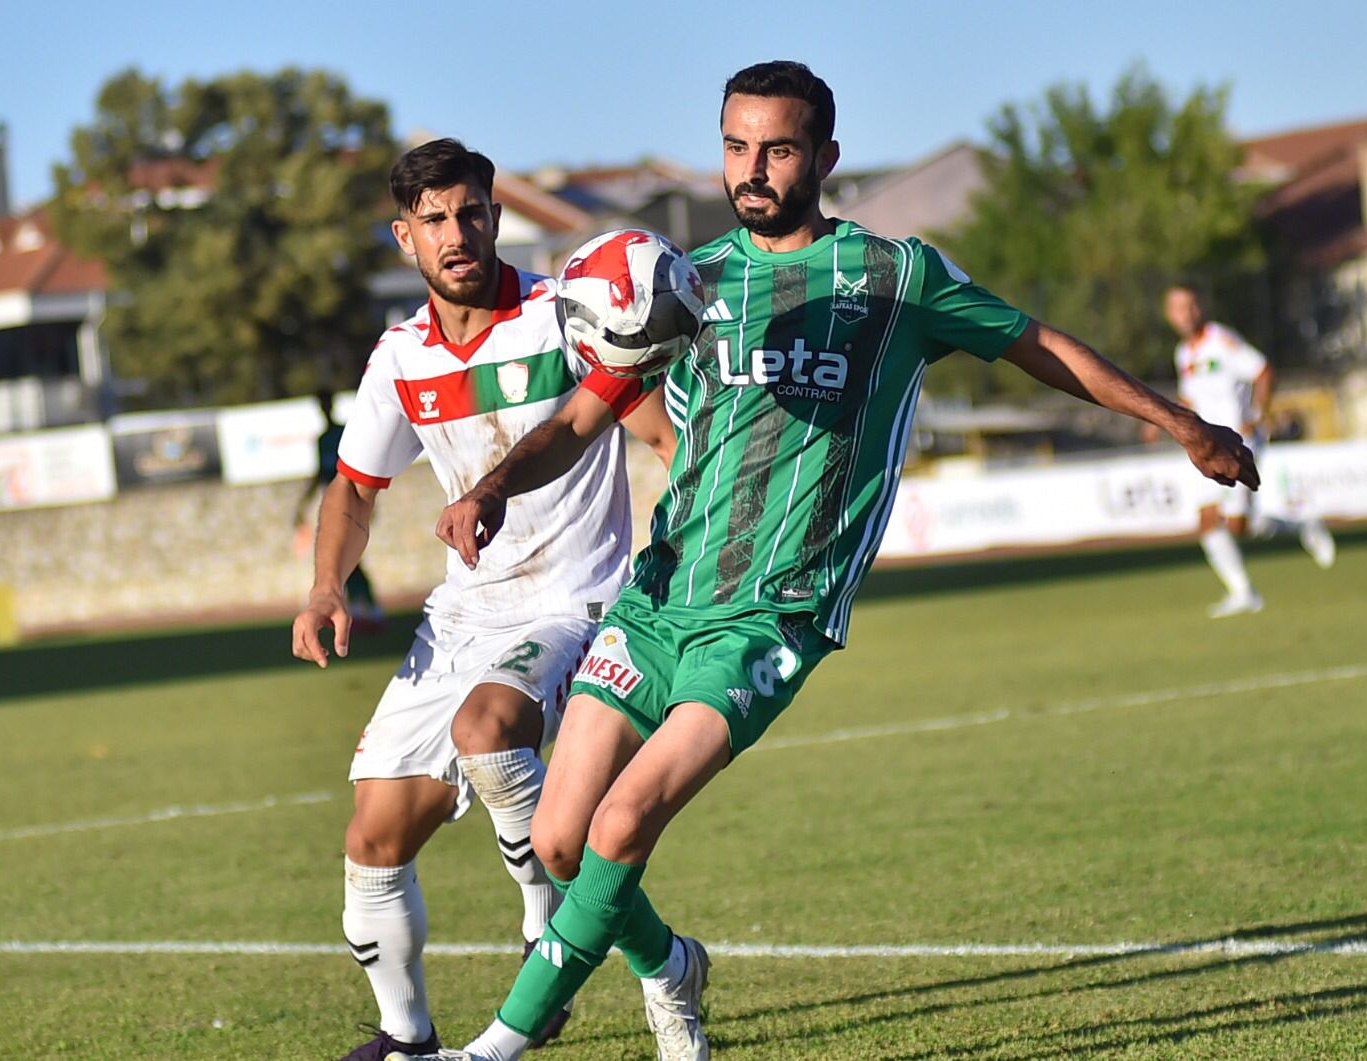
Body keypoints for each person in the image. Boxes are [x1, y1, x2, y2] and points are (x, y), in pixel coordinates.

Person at [407, 62, 1257, 1061]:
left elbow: (1040, 346)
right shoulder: (687, 283)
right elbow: (583, 415)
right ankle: (671, 966)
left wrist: (1182, 421)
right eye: (734, 146)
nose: (751, 169)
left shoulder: (896, 278)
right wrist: (491, 487)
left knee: (624, 818)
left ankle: (493, 1044)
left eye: (775, 149)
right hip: (657, 598)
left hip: (775, 615)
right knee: (559, 840)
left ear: (823, 158)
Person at [289, 138, 676, 1061]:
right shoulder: (400, 357)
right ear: (404, 237)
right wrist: (325, 584)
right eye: (434, 221)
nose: (456, 234)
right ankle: (407, 1035)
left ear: (496, 217)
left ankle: (542, 931)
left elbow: (661, 433)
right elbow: (352, 488)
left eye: (471, 213)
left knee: (489, 727)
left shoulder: (563, 316)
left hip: (573, 602)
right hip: (462, 615)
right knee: (372, 841)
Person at [1158, 284, 1335, 617]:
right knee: (1209, 522)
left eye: (1191, 305)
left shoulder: (1221, 340)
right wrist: (1161, 419)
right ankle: (1243, 593)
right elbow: (1191, 397)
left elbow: (1262, 369)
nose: (1187, 314)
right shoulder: (1183, 353)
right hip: (1205, 444)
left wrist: (1256, 413)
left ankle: (1302, 524)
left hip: (1236, 441)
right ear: (1170, 315)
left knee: (1238, 526)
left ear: (1201, 307)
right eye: (1179, 308)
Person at [296, 389, 385, 631]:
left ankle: (368, 607)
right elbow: (320, 475)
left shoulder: (343, 433)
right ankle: (361, 607)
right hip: (332, 505)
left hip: (352, 500)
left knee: (349, 555)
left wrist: (367, 502)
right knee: (343, 557)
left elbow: (358, 468)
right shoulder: (322, 439)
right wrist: (303, 504)